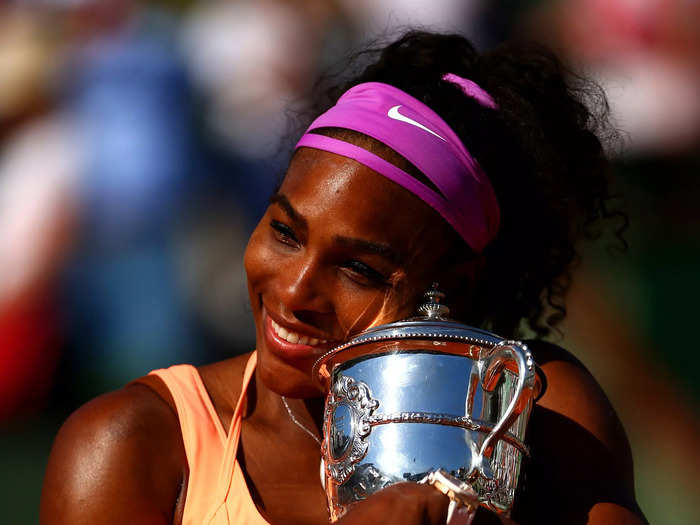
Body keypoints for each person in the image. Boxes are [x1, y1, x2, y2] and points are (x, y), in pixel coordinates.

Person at [40, 31, 649, 524]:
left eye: (359, 268)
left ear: (456, 286)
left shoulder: (532, 408)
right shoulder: (129, 445)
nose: (294, 291)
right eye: (285, 232)